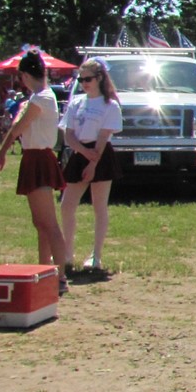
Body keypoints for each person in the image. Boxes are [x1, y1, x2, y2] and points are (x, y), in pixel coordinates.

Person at [0, 51, 68, 287]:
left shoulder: (41, 99)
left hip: (39, 158)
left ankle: (60, 276)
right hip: (33, 158)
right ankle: (44, 271)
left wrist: (2, 152)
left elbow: (17, 127)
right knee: (40, 223)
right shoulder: (37, 98)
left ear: (25, 75)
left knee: (49, 224)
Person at [59, 58, 123, 274]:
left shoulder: (109, 105)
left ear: (99, 78)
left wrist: (93, 163)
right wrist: (83, 152)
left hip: (101, 155)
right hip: (80, 152)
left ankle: (96, 255)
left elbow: (104, 136)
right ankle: (67, 254)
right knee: (67, 205)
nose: (84, 83)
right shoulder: (76, 102)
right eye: (81, 79)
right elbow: (68, 134)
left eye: (88, 79)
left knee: (99, 206)